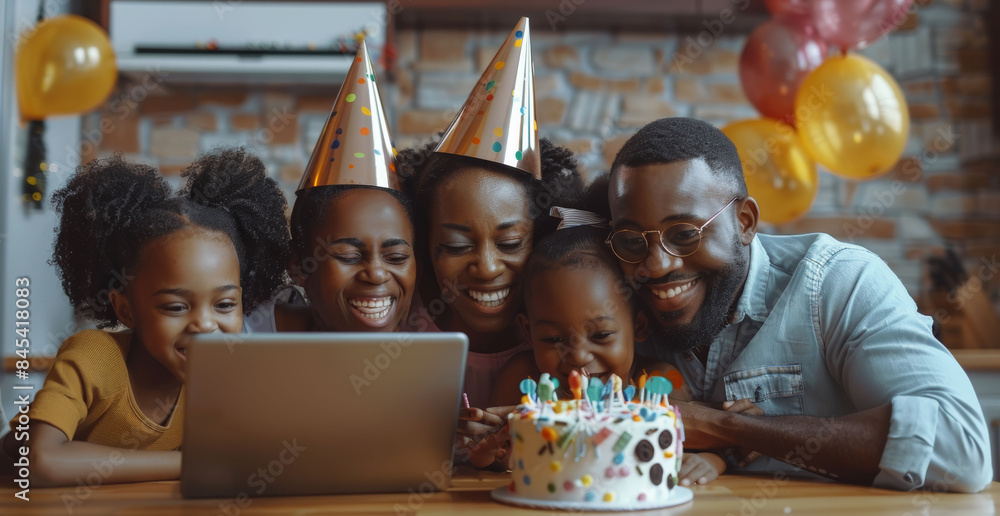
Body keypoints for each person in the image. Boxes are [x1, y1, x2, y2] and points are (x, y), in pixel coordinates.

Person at [605, 117, 992, 492]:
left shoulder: (839, 281)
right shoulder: (612, 302)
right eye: (630, 240)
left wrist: (726, 428)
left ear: (744, 221)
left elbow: (960, 449)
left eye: (685, 233)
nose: (656, 265)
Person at [1, 149, 290, 486]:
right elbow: (40, 461)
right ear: (125, 309)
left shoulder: (219, 378)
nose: (205, 325)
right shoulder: (93, 356)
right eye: (176, 307)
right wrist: (189, 463)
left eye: (224, 305)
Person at [246, 41, 416, 334]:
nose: (376, 274)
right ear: (298, 266)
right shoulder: (248, 334)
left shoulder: (430, 339)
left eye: (397, 257)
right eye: (349, 257)